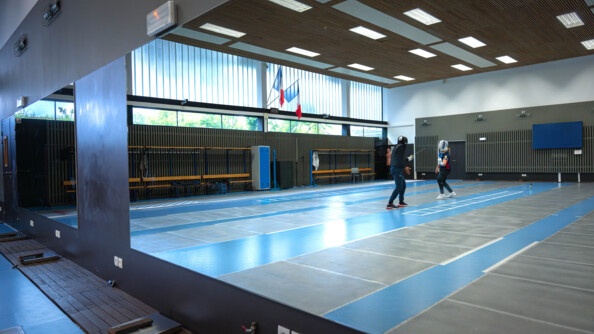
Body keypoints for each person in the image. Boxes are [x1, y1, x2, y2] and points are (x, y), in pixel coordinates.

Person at [387, 136, 413, 209]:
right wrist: (405, 167)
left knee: (403, 185)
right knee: (399, 187)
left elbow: (400, 159)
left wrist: (408, 158)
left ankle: (401, 202)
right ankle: (390, 203)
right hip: (396, 169)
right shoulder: (401, 147)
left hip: (395, 168)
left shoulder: (397, 146)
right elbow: (400, 160)